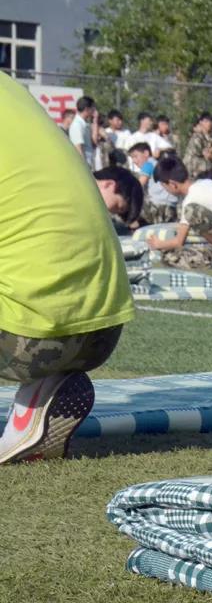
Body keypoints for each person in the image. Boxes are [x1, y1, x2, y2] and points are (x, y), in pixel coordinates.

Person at [0, 74, 140, 464]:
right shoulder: (12, 91)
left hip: (32, 336)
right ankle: (36, 400)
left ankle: (38, 380)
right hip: (101, 331)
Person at [148, 157, 212, 268]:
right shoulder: (207, 182)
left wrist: (158, 244)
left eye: (164, 186)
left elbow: (178, 242)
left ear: (173, 184)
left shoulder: (190, 200)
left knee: (172, 258)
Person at [183, 112, 212, 179]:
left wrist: (211, 156)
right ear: (201, 122)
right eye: (206, 121)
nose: (209, 123)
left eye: (210, 121)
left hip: (207, 170)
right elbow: (198, 154)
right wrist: (209, 153)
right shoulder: (196, 137)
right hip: (193, 170)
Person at [69, 95, 97, 167]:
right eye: (93, 108)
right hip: (83, 166)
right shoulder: (77, 125)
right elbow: (78, 147)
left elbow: (94, 143)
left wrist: (95, 121)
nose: (95, 111)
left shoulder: (85, 124)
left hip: (89, 163)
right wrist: (84, 166)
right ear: (87, 109)